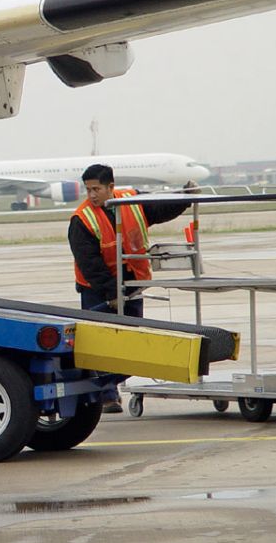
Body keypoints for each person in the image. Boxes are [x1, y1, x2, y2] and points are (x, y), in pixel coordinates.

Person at [69, 163, 196, 413]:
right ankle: (106, 393)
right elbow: (89, 264)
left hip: (132, 281)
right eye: (88, 190)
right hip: (98, 289)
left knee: (131, 339)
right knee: (101, 344)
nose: (92, 195)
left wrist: (184, 197)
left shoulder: (131, 200)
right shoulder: (81, 219)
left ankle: (109, 384)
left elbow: (160, 208)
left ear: (111, 188)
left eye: (96, 189)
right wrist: (110, 294)